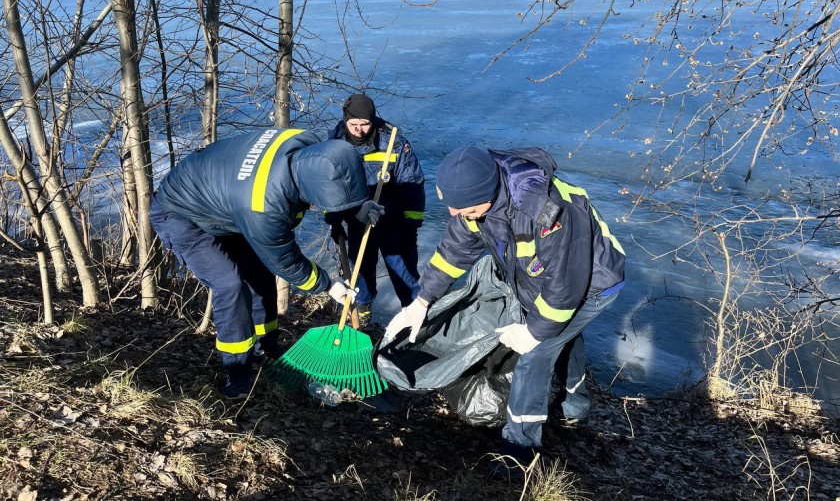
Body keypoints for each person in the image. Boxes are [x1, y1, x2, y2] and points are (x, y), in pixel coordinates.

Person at [383, 145, 625, 466]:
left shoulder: (548, 211)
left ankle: (520, 449)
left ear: (486, 194)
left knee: (536, 352)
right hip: (545, 281)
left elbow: (566, 284)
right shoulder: (473, 200)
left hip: (593, 283)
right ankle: (574, 409)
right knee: (564, 340)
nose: (456, 215)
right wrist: (422, 301)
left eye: (464, 209)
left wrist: (534, 331)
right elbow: (453, 251)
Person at [150, 128, 384, 400]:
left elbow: (327, 180)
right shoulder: (264, 206)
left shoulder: (308, 145)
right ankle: (237, 368)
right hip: (181, 214)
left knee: (260, 275)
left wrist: (357, 206)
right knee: (231, 284)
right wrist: (328, 284)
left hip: (225, 203)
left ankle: (265, 347)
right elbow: (285, 262)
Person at [325, 94, 425, 327]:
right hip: (357, 222)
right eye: (353, 125)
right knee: (361, 279)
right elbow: (328, 188)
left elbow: (413, 186)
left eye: (365, 124)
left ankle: (414, 325)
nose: (359, 130)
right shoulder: (334, 145)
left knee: (405, 277)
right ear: (345, 121)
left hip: (395, 225)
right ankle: (362, 323)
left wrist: (412, 225)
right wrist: (334, 221)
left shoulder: (395, 143)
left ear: (373, 120)